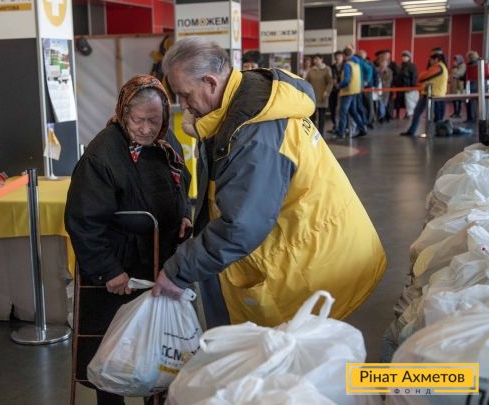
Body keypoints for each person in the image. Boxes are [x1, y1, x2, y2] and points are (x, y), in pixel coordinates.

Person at [152, 38, 386, 329]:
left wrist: (178, 271)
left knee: (298, 352)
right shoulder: (247, 103)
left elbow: (242, 225)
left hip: (312, 261)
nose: (184, 106)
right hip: (316, 244)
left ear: (210, 82)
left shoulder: (253, 133)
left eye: (185, 95)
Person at [64, 75, 191, 405]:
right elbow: (84, 221)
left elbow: (183, 180)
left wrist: (184, 213)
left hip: (159, 260)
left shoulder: (166, 142)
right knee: (112, 349)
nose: (147, 129)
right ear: (123, 114)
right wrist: (109, 270)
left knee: (159, 346)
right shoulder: (102, 155)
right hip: (120, 268)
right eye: (138, 120)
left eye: (154, 120)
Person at [401, 50, 449, 136]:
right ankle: (413, 131)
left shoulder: (438, 67)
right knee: (421, 112)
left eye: (431, 60)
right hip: (432, 93)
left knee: (434, 115)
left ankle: (438, 132)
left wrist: (423, 76)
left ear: (436, 59)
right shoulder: (442, 67)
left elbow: (422, 77)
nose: (430, 62)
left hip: (434, 94)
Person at [334, 48, 367, 138]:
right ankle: (362, 129)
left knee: (343, 112)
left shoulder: (347, 64)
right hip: (355, 90)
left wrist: (339, 85)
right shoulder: (356, 63)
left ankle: (341, 132)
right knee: (353, 111)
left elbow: (347, 79)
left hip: (347, 91)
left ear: (344, 56)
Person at [305, 53, 333, 137]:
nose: (315, 61)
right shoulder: (311, 70)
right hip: (312, 96)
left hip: (322, 95)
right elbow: (306, 81)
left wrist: (327, 91)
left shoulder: (326, 69)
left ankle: (320, 134)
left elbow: (330, 82)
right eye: (314, 59)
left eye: (317, 59)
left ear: (321, 59)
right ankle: (311, 133)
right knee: (312, 116)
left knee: (321, 116)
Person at [396, 51, 419, 119]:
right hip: (400, 87)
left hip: (408, 87)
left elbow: (414, 77)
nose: (404, 58)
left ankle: (408, 114)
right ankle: (397, 115)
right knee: (398, 101)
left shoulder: (412, 66)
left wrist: (412, 86)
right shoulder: (400, 66)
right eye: (403, 56)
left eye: (406, 56)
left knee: (408, 102)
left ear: (409, 57)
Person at [329, 50, 344, 130]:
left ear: (342, 57)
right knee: (333, 108)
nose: (337, 58)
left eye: (339, 56)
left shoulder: (345, 66)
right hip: (333, 90)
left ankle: (343, 126)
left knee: (342, 108)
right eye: (336, 56)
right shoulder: (331, 67)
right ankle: (335, 124)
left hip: (343, 90)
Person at [450, 54, 466, 118]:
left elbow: (459, 74)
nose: (454, 61)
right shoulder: (455, 67)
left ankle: (458, 113)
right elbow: (451, 75)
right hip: (454, 85)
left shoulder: (462, 65)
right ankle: (455, 112)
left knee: (459, 99)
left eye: (456, 60)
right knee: (454, 99)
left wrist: (455, 69)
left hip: (459, 85)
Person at [466, 50, 480, 122]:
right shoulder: (474, 64)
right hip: (473, 85)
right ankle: (471, 117)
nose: (469, 58)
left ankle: (471, 118)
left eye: (469, 57)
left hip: (473, 85)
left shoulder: (474, 65)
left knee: (471, 102)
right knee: (470, 102)